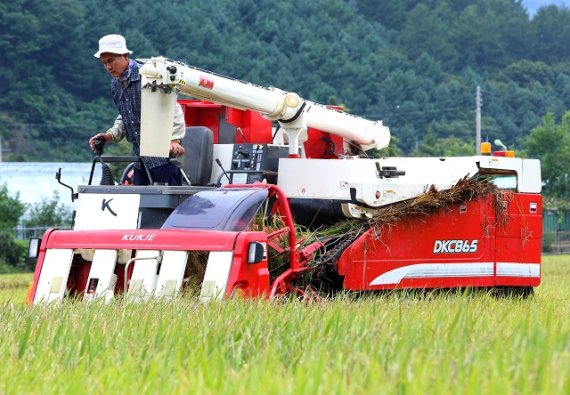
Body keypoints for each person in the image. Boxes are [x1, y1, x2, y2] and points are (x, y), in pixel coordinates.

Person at [89, 34, 186, 186]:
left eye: (111, 61)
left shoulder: (149, 77)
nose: (108, 67)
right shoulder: (115, 85)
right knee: (141, 207)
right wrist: (110, 135)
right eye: (104, 63)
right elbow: (124, 115)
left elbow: (174, 108)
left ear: (125, 56)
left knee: (165, 206)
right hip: (139, 160)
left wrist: (174, 140)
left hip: (163, 159)